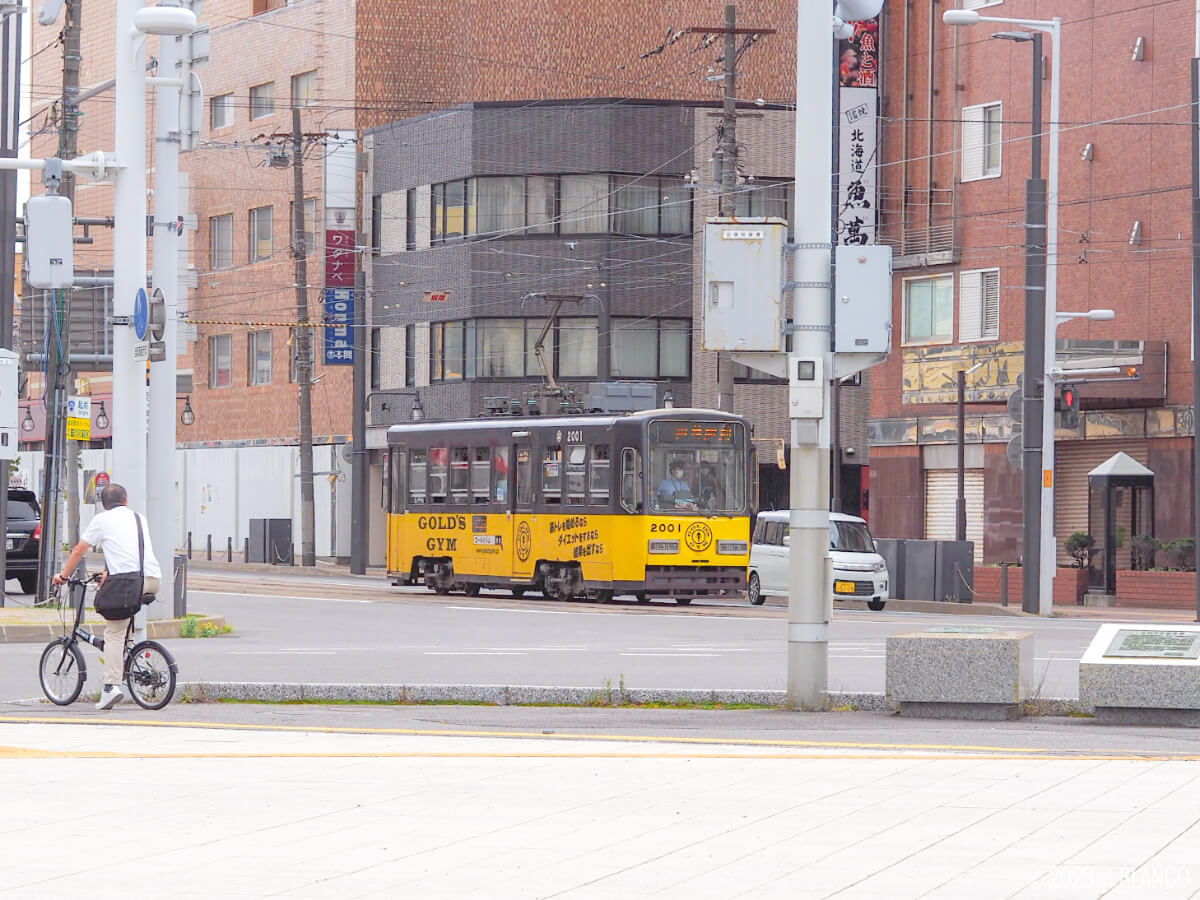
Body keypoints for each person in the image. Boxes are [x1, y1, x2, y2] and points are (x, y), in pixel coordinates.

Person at [53, 483, 161, 710]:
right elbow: (126, 551)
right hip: (151, 579)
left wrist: (63, 576)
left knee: (113, 632)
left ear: (104, 505)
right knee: (123, 621)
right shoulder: (139, 518)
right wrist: (107, 573)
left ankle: (111, 687)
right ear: (126, 501)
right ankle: (131, 657)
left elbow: (78, 551)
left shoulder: (102, 520)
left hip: (128, 582)